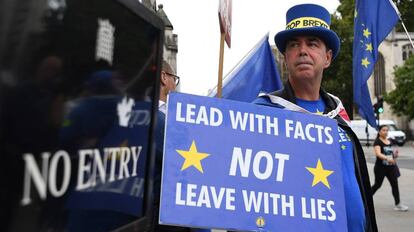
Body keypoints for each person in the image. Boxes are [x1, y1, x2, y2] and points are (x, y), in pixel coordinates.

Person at [254, 4, 377, 231]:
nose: (302, 50)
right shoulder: (262, 113)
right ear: (285, 56)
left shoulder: (338, 113)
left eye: (312, 43)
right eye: (294, 44)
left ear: (327, 57)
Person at [371, 125, 408, 211]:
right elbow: (378, 154)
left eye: (387, 130)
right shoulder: (377, 142)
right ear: (379, 132)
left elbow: (390, 154)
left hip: (390, 168)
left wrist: (395, 155)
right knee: (377, 185)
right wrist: (388, 159)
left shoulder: (389, 141)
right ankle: (365, 199)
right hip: (380, 168)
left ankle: (398, 204)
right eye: (383, 130)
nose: (386, 132)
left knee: (394, 184)